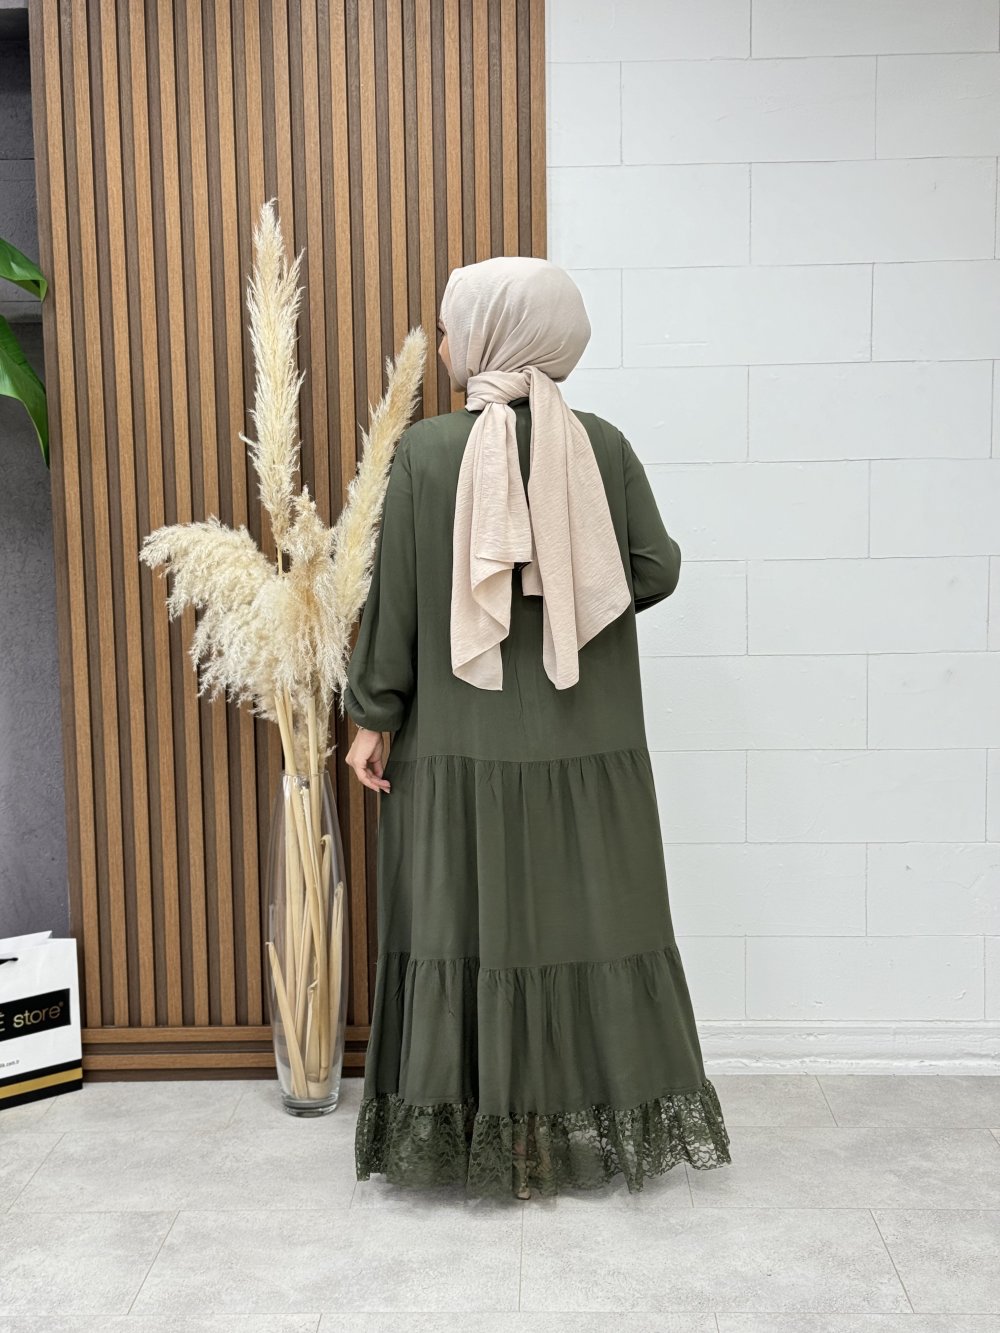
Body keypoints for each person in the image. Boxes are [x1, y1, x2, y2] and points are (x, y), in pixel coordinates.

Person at [343, 255, 731, 1200]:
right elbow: (657, 565)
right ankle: (568, 1123)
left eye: (451, 327)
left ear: (492, 335)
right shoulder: (601, 444)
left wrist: (371, 717)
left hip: (455, 740)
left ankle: (480, 1132)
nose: (442, 345)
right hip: (583, 739)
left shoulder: (428, 452)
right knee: (580, 924)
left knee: (464, 923)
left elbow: (395, 606)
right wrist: (575, 583)